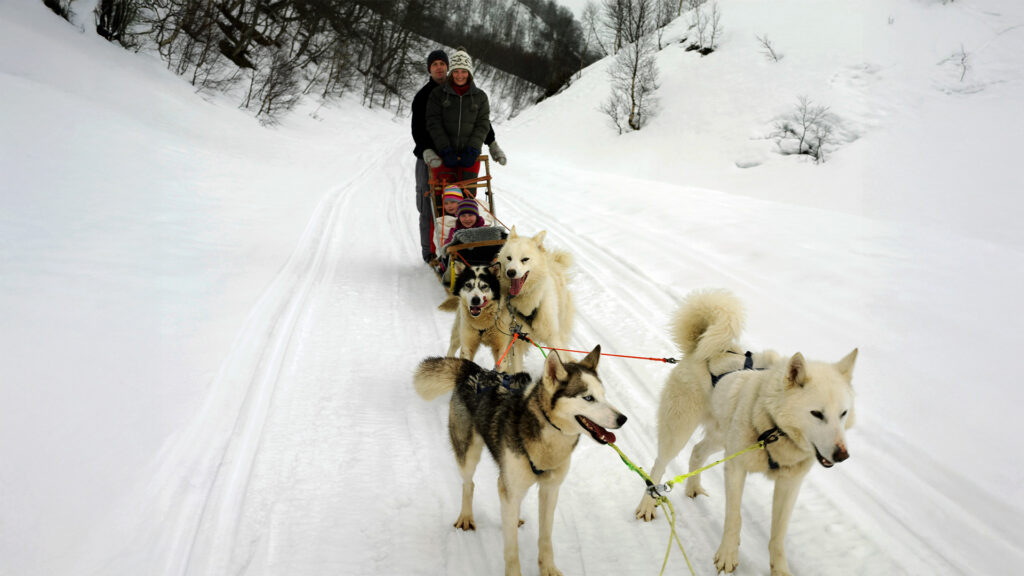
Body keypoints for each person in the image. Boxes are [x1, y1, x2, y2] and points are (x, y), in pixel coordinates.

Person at [412, 49, 506, 266]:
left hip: (464, 157)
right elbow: (424, 126)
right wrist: (433, 150)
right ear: (429, 68)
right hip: (432, 158)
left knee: (464, 203)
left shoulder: (474, 95)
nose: (439, 68)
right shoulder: (429, 95)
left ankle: (470, 247)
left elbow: (481, 123)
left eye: (441, 64)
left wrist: (489, 145)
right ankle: (432, 253)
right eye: (434, 64)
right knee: (432, 206)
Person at [426, 48, 492, 192]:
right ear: (451, 72)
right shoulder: (438, 94)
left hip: (470, 158)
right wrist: (445, 149)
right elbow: (433, 122)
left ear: (469, 73)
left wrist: (473, 148)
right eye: (456, 71)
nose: (460, 75)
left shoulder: (481, 97)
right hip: (444, 158)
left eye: (464, 71)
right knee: (444, 202)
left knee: (467, 201)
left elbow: (483, 124)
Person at [429, 184, 463, 267]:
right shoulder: (443, 220)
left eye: (453, 202)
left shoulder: (467, 215)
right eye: (446, 203)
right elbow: (439, 236)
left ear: (460, 202)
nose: (449, 206)